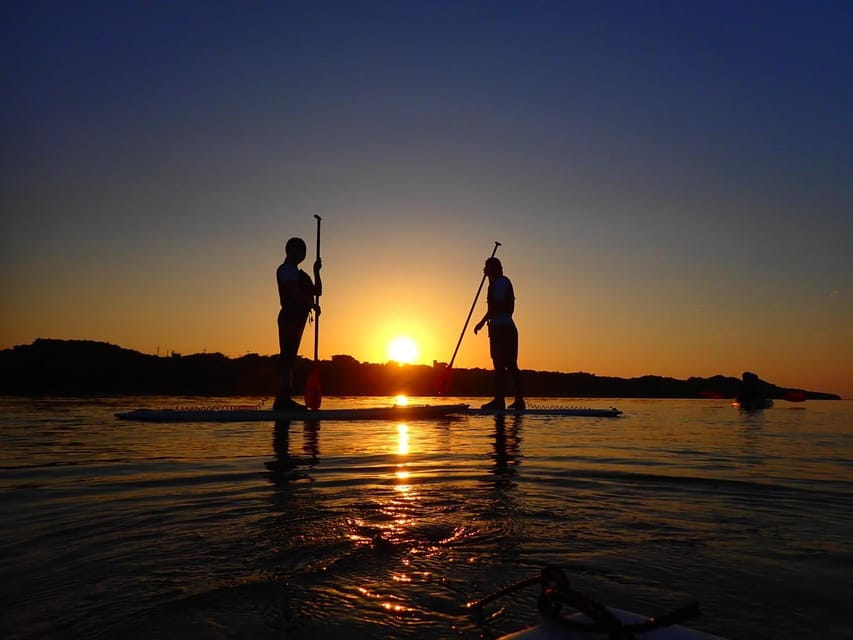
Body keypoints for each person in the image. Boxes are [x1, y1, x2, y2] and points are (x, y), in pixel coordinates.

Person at [275, 237, 321, 411]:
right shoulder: (285, 270)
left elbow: (318, 291)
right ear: (289, 251)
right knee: (286, 358)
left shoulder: (301, 274)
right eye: (298, 251)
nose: (301, 255)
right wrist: (311, 304)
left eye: (303, 252)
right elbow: (293, 292)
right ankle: (282, 401)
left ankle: (284, 400)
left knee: (290, 358)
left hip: (299, 318)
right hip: (289, 316)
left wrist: (316, 271)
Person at [474, 257, 525, 410]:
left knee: (507, 365)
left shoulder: (501, 283)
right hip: (499, 329)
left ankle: (508, 400)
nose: (485, 271)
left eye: (487, 268)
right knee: (502, 365)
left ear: (495, 269)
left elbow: (496, 306)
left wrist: (482, 322)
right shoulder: (495, 283)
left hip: (503, 329)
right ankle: (504, 400)